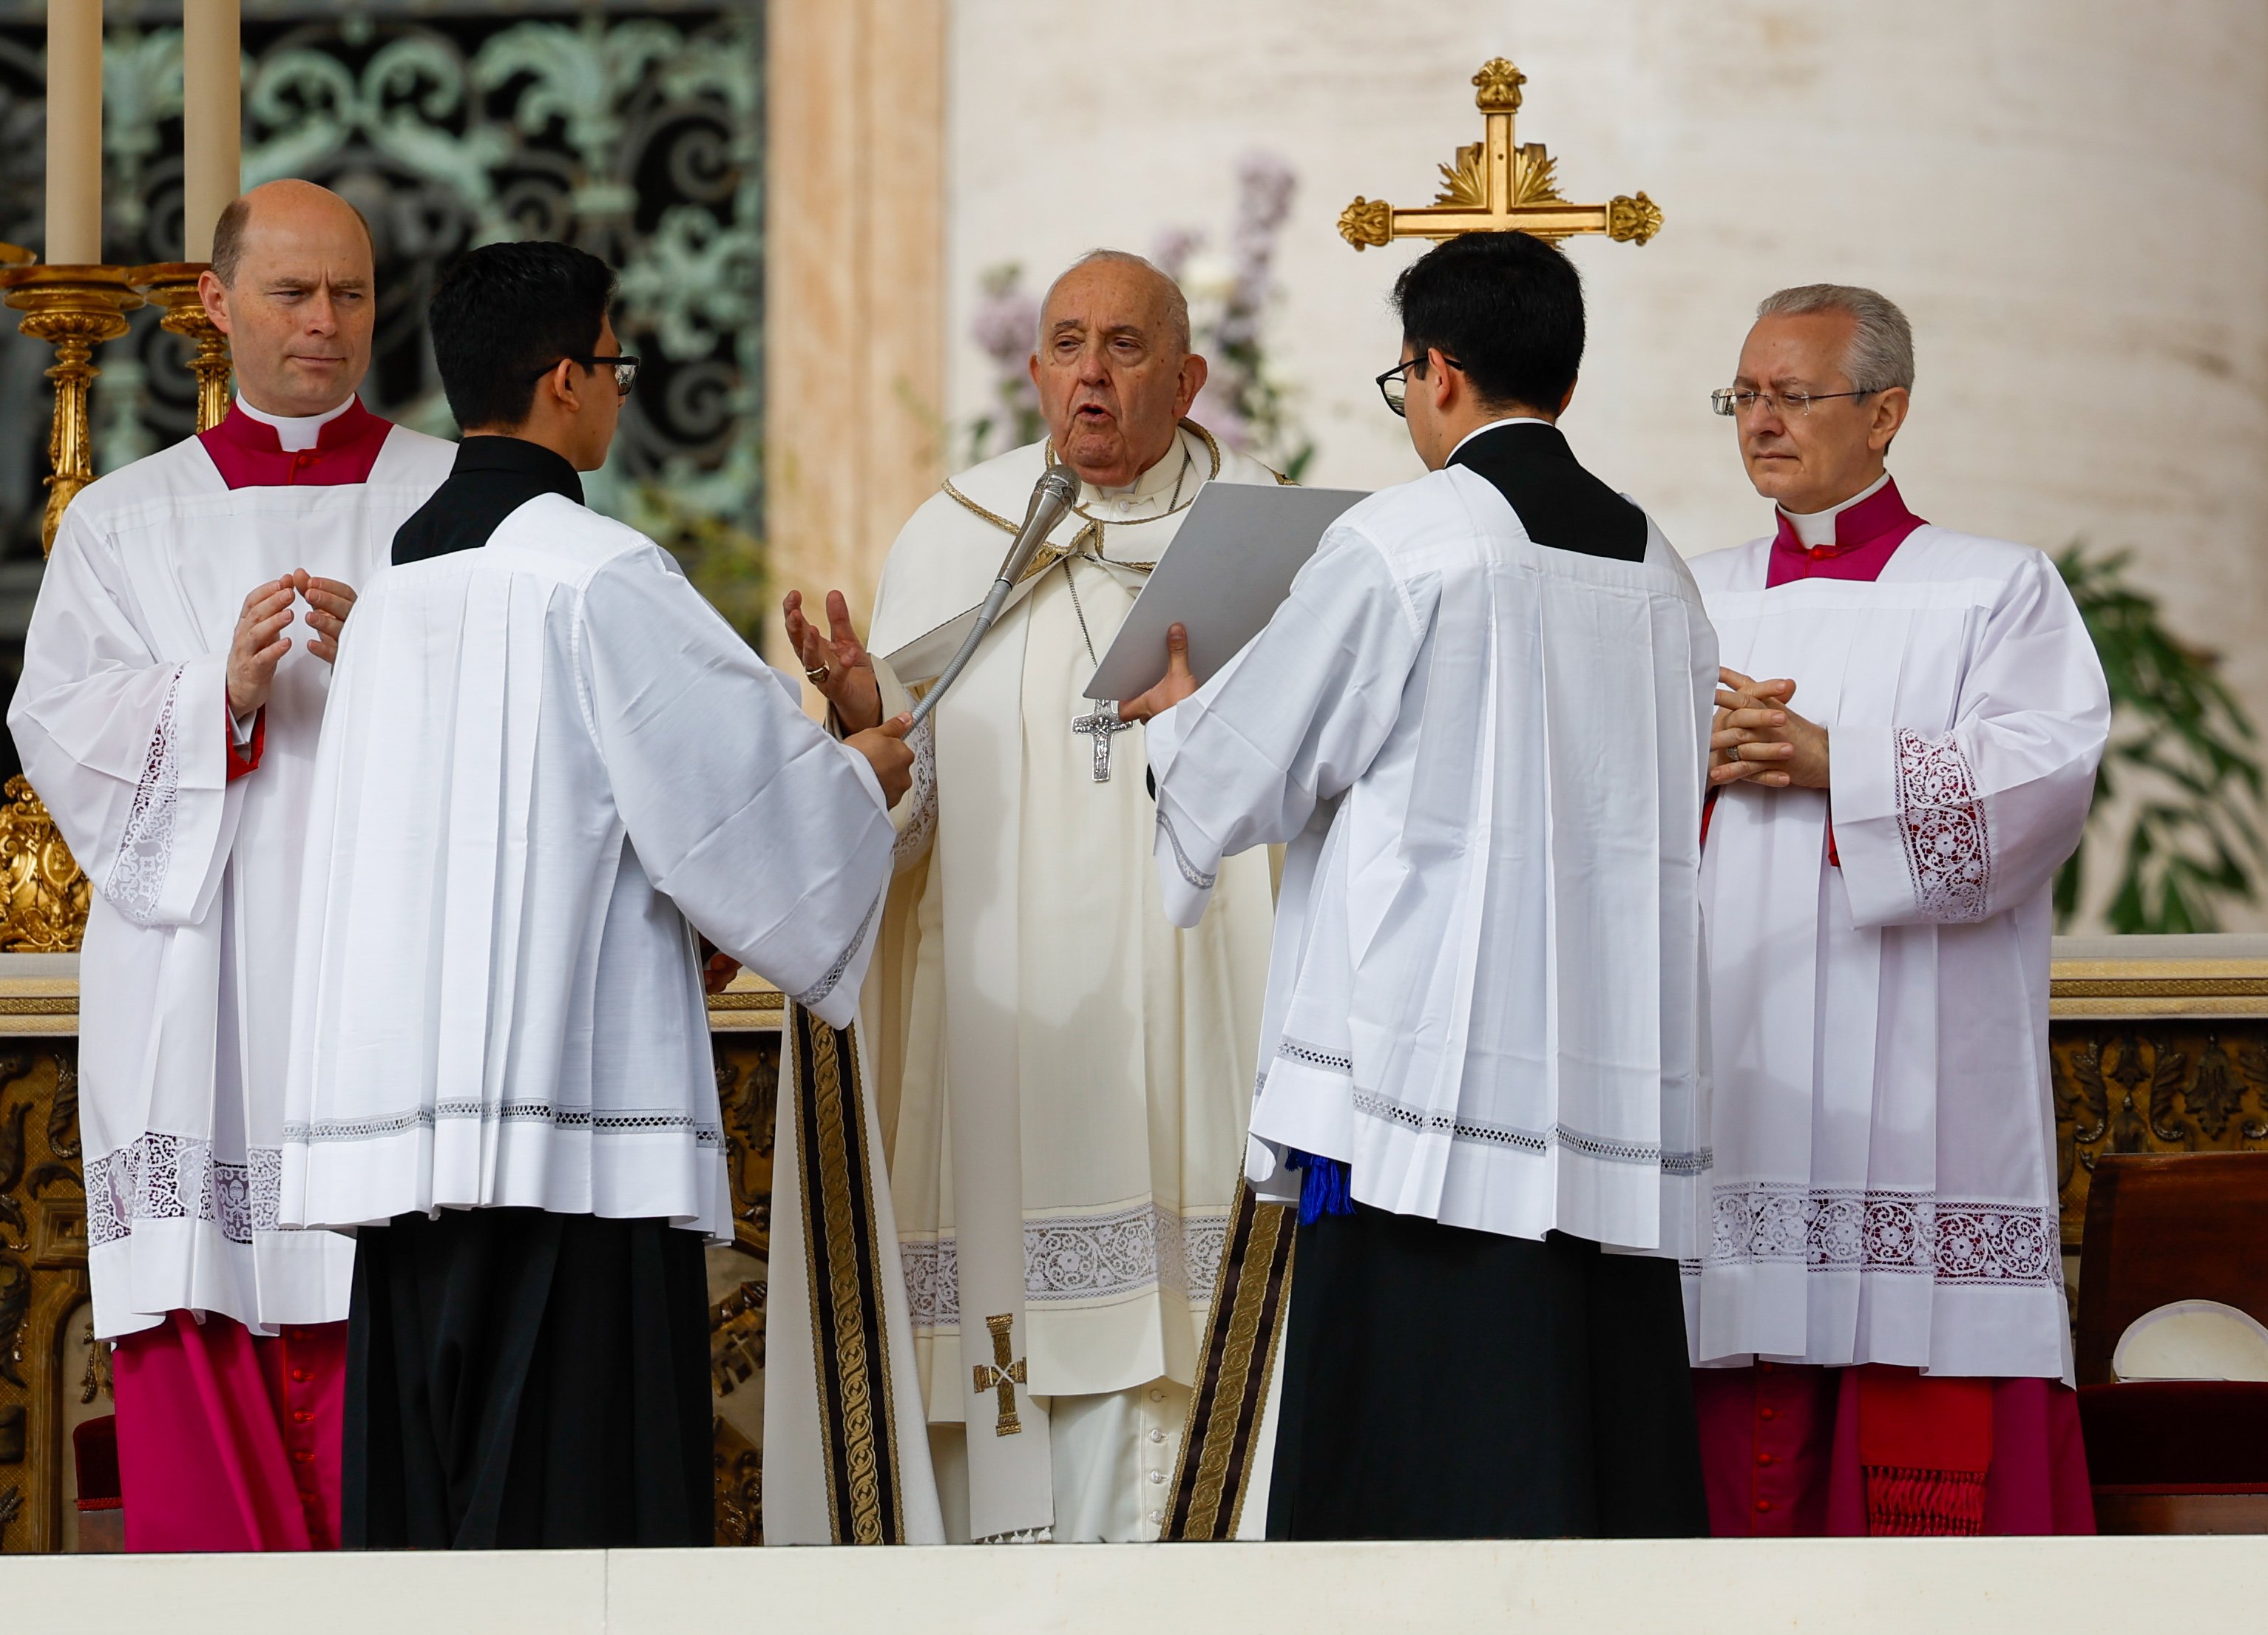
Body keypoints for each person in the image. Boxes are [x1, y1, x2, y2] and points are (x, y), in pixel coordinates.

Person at [276, 240, 913, 1550]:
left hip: (409, 1146)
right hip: (570, 1146)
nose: (621, 390)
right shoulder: (597, 571)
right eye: (617, 364)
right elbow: (742, 807)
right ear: (566, 379)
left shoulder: (395, 595)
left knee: (431, 1522)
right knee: (579, 1523)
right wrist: (868, 767)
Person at [1125, 231, 1714, 1540]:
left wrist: (1180, 722)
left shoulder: (1408, 542)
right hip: (1605, 1088)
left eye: (1406, 383)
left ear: (1437, 372)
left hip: (1426, 1098)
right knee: (1590, 1447)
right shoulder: (1663, 572)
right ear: (1559, 382)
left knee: (1422, 1465)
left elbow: (1256, 765)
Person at [763, 250, 1283, 1545]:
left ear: (1189, 377)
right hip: (1009, 1019)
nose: (1091, 375)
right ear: (1034, 369)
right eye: (1066, 345)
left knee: (1196, 1334)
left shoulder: (1266, 533)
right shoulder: (958, 537)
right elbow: (914, 815)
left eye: (1123, 346)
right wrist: (876, 721)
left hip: (1198, 995)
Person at [10, 180, 450, 1552]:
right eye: (292, 293)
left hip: (392, 994)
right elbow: (58, 732)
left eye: (354, 295)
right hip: (203, 1001)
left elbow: (522, 744)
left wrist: (395, 667)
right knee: (211, 1316)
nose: (326, 324)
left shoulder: (449, 502)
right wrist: (220, 696)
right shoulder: (126, 522)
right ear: (215, 305)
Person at [1689, 285, 2107, 1535]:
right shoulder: (1688, 597)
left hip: (1918, 1083)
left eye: (1792, 396)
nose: (1760, 422)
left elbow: (2043, 782)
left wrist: (1838, 762)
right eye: (1744, 396)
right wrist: (1682, 758)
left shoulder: (1995, 592)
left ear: (1886, 414)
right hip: (1740, 1067)